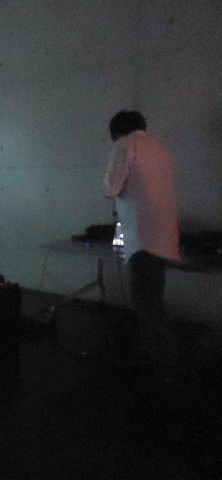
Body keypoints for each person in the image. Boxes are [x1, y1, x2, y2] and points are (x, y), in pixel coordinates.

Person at [102, 111, 181, 374]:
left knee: (146, 303)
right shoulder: (160, 149)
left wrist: (109, 188)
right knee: (153, 299)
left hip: (143, 237)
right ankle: (163, 358)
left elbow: (111, 188)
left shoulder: (124, 145)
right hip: (164, 234)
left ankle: (164, 365)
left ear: (116, 131)